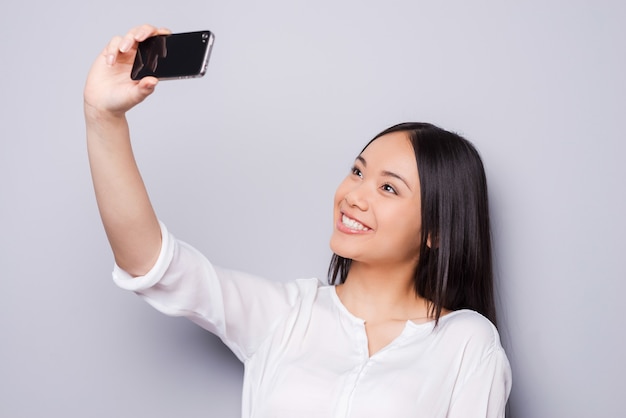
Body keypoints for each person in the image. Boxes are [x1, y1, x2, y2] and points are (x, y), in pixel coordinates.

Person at [85, 24, 512, 418]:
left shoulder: (467, 342)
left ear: (436, 231)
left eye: (388, 188)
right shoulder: (287, 315)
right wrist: (103, 117)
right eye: (358, 172)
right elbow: (152, 264)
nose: (354, 196)